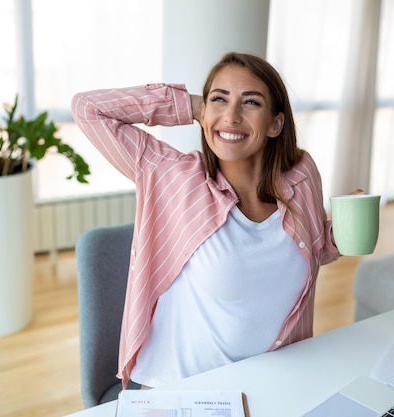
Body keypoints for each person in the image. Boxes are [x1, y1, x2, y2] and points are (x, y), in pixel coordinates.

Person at [71, 52, 354, 389]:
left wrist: (346, 230)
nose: (231, 116)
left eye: (250, 103)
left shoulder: (301, 174)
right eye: (220, 99)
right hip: (184, 392)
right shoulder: (172, 174)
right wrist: (196, 106)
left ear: (276, 123)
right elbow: (88, 108)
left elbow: (315, 250)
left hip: (277, 383)